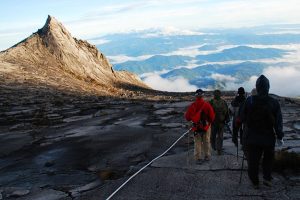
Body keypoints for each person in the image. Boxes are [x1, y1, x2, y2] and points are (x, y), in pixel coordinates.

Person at [240, 75, 284, 189]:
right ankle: (267, 178)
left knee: (253, 161)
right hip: (268, 136)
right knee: (268, 159)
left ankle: (255, 182)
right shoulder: (274, 102)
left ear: (257, 87)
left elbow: (242, 117)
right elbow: (278, 121)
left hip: (252, 136)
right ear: (268, 87)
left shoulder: (249, 100)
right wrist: (280, 136)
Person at [185, 89, 215, 163]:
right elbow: (212, 117)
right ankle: (207, 156)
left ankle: (198, 157)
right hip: (206, 127)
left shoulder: (193, 105)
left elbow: (187, 117)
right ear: (203, 95)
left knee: (197, 142)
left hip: (196, 127)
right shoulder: (207, 105)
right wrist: (209, 123)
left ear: (196, 96)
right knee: (206, 141)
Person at [209, 90, 229, 155]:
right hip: (219, 122)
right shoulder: (223, 102)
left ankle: (215, 148)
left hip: (216, 122)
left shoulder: (212, 102)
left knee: (215, 136)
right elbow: (227, 112)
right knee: (218, 136)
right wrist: (226, 119)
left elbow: (208, 112)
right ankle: (217, 149)